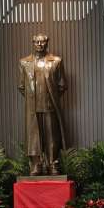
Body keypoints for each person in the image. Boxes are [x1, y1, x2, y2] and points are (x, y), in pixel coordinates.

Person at [18, 33, 68, 175]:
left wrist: (51, 98)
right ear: (33, 43)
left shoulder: (56, 61)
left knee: (52, 136)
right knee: (34, 137)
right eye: (37, 42)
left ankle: (53, 164)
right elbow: (21, 86)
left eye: (42, 42)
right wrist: (32, 99)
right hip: (33, 108)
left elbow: (62, 85)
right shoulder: (24, 62)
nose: (39, 44)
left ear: (47, 43)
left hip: (49, 105)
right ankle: (36, 165)